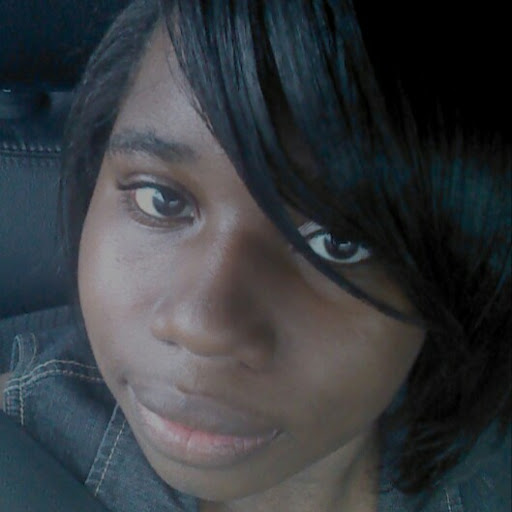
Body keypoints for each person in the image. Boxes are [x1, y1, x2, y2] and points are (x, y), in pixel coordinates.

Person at [1, 0, 510, 511]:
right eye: (161, 200)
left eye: (338, 242)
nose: (203, 327)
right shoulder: (18, 454)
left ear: (466, 275)